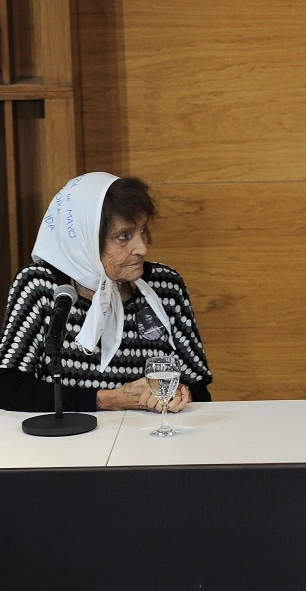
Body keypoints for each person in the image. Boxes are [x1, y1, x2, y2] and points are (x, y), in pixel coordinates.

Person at [0, 172, 212, 412]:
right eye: (124, 237)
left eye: (142, 230)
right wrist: (105, 400)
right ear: (85, 239)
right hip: (68, 441)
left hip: (150, 440)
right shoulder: (40, 286)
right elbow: (9, 388)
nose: (142, 247)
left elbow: (199, 387)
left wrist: (182, 393)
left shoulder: (165, 285)